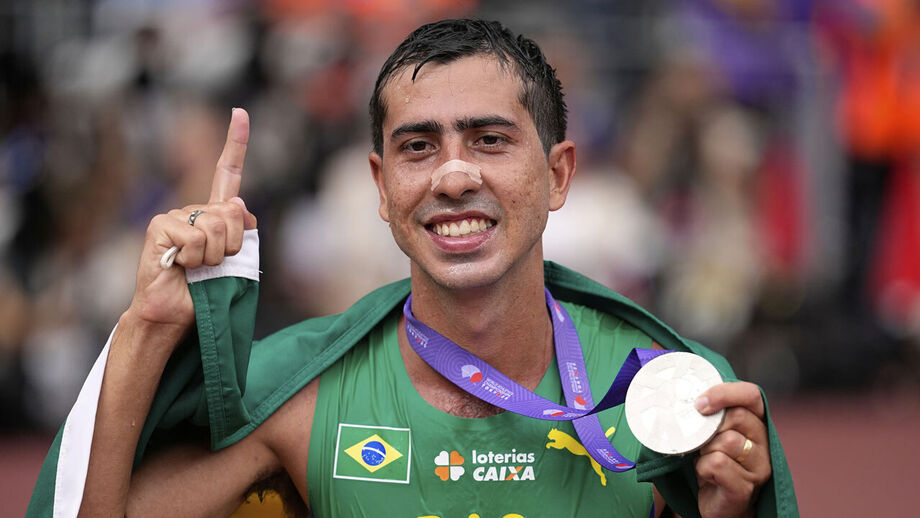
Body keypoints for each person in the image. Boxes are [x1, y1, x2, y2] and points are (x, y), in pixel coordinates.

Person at [28, 19, 796, 518]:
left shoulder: (665, 393)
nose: (453, 176)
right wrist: (149, 324)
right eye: (419, 147)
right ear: (381, 186)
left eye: (490, 140)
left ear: (559, 173)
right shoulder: (304, 401)